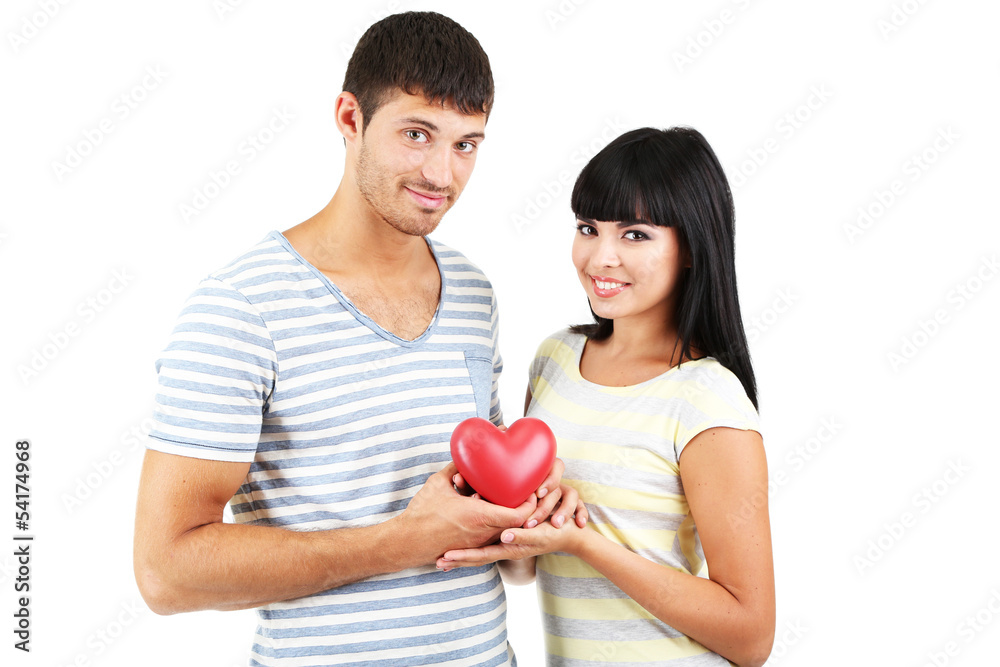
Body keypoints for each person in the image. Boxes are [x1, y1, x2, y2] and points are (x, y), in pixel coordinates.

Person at [132, 12, 579, 666]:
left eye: (466, 144)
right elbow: (165, 571)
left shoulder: (474, 292)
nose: (442, 174)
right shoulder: (242, 308)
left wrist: (530, 514)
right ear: (349, 118)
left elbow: (489, 525)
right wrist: (401, 540)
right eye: (417, 133)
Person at [437, 127, 776, 666]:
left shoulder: (707, 399)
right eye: (588, 228)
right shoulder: (555, 360)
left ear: (691, 246)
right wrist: (502, 508)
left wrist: (584, 542)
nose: (601, 257)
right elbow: (526, 566)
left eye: (635, 235)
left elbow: (751, 635)